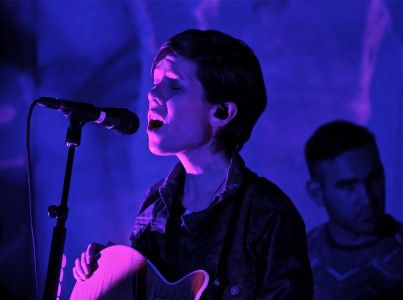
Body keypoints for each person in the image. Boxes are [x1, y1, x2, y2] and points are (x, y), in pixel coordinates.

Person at [73, 29, 313, 299]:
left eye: (174, 85)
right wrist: (107, 272)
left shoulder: (268, 214)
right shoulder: (155, 204)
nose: (153, 94)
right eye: (155, 82)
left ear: (221, 112)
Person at [304, 120, 403, 299]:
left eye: (374, 178)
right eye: (349, 186)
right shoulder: (295, 258)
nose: (367, 198)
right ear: (317, 193)